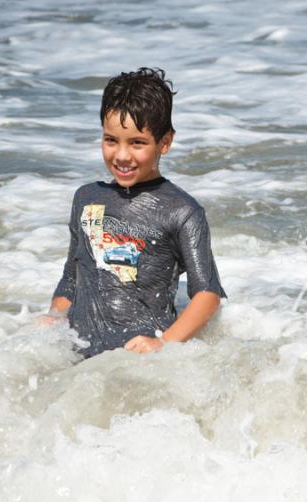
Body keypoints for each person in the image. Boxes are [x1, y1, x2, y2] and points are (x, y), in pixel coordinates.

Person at [42, 67, 225, 357]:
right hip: (79, 353)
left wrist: (163, 343)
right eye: (111, 140)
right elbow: (71, 277)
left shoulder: (183, 211)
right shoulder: (87, 198)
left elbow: (207, 295)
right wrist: (55, 316)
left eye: (137, 143)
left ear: (165, 142)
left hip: (137, 358)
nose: (122, 155)